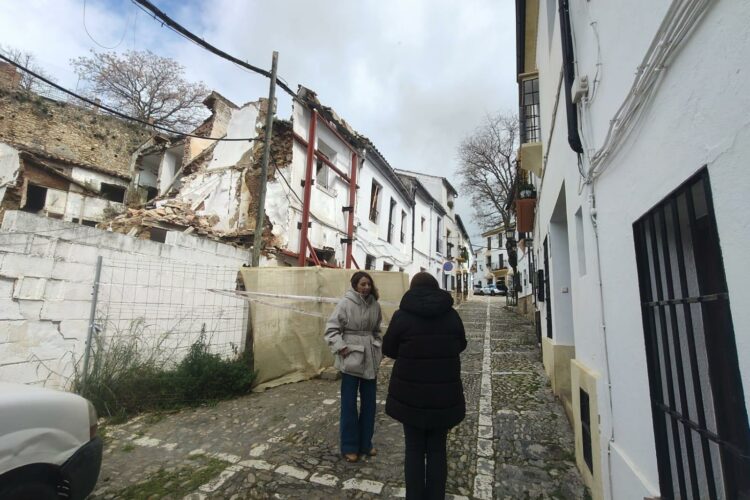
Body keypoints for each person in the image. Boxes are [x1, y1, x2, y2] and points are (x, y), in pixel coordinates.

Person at [383, 272, 467, 499]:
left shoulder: (402, 316)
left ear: (412, 289)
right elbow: (461, 344)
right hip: (443, 395)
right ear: (436, 288)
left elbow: (388, 349)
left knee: (414, 450)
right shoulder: (450, 316)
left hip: (410, 396)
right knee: (438, 450)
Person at [324, 271, 383, 463]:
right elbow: (331, 329)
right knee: (349, 405)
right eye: (362, 284)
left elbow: (377, 330)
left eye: (368, 284)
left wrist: (377, 345)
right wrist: (341, 348)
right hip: (351, 359)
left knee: (370, 404)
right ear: (355, 285)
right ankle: (349, 446)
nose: (366, 287)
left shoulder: (375, 304)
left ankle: (366, 443)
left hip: (370, 360)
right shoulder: (345, 303)